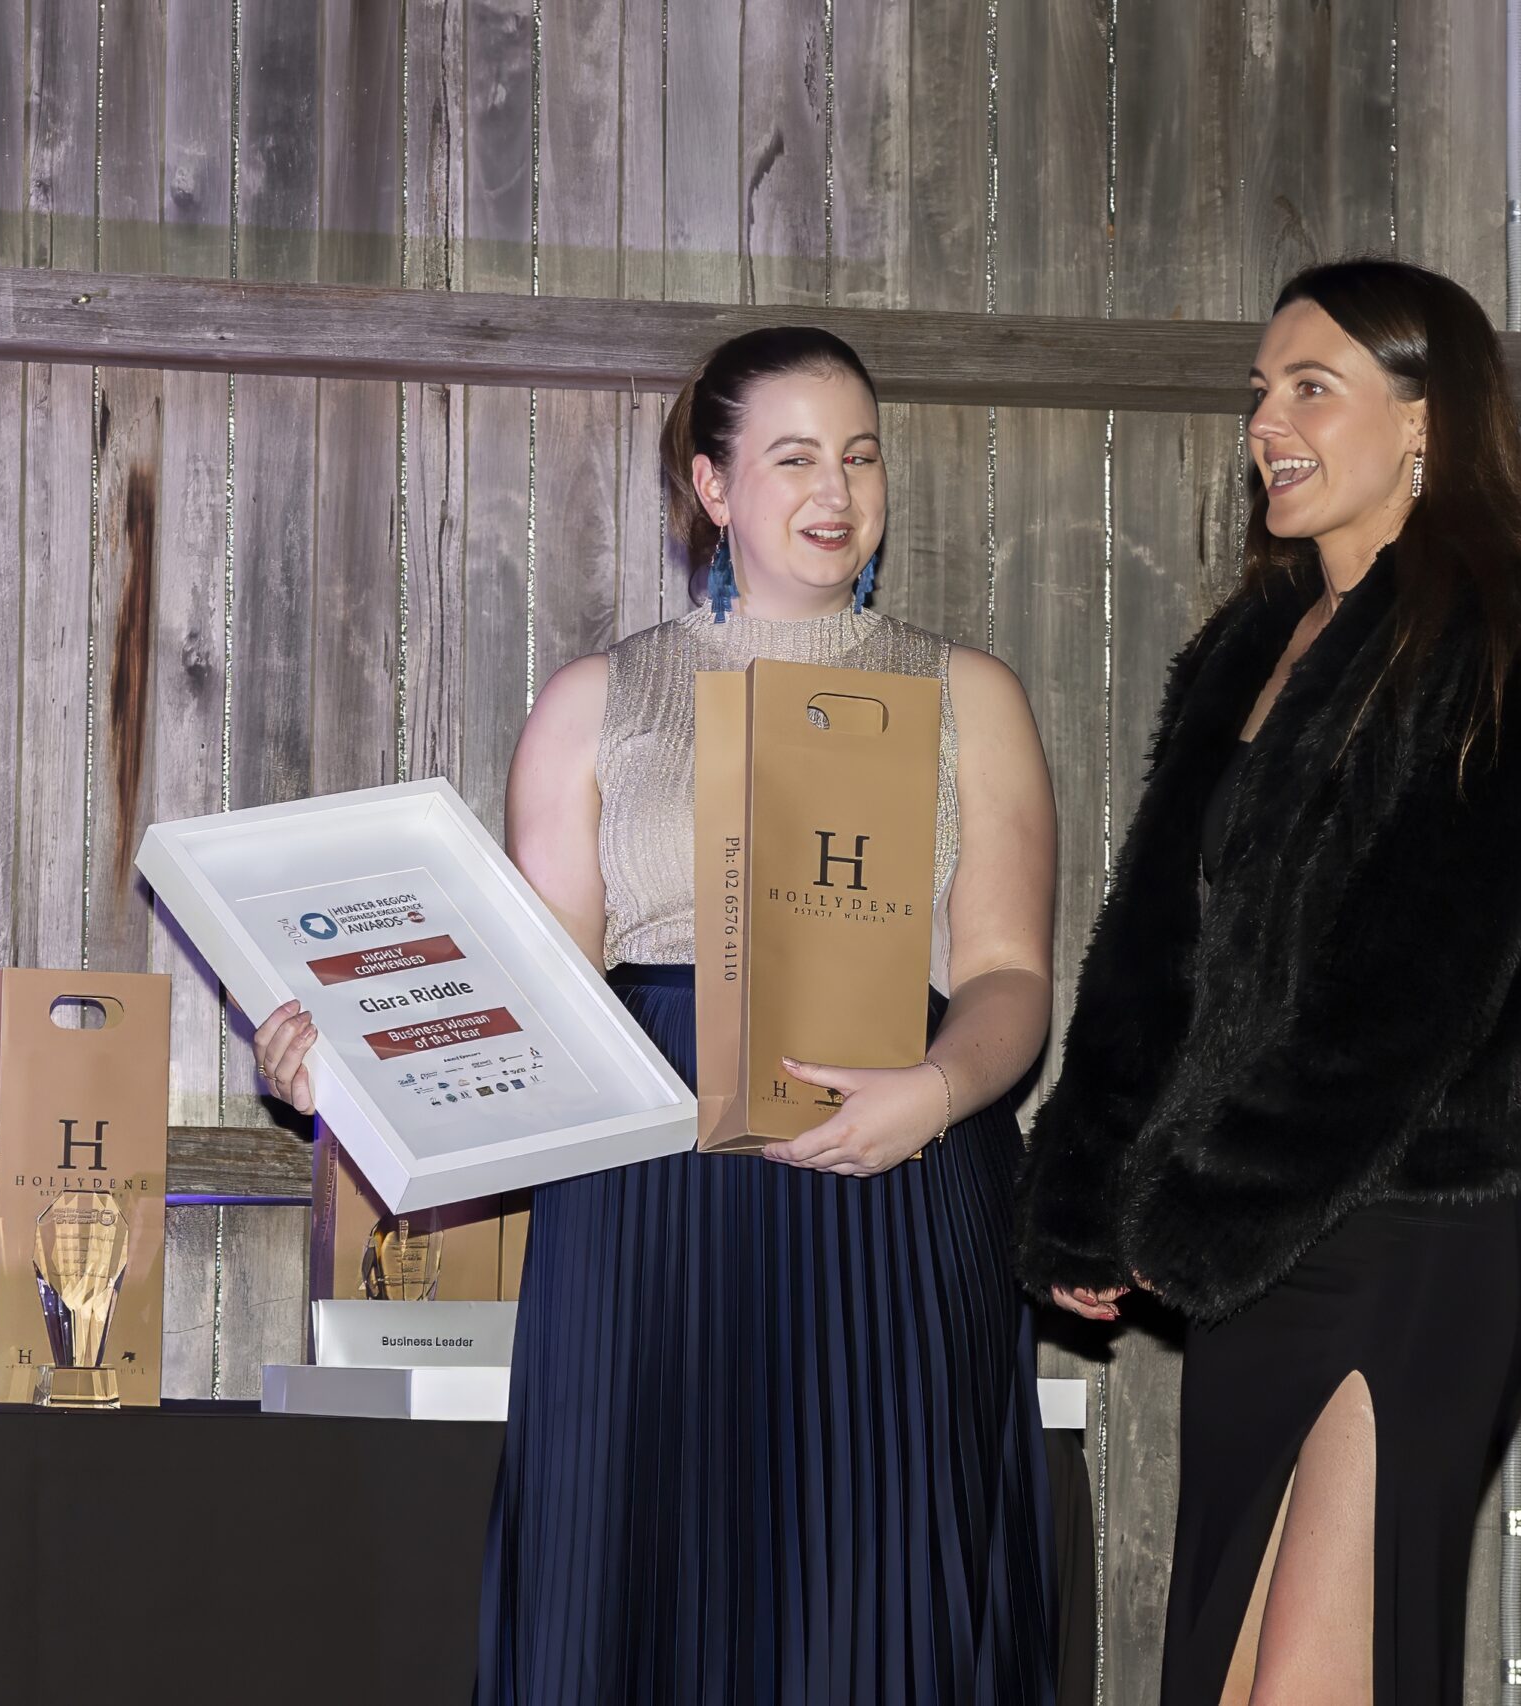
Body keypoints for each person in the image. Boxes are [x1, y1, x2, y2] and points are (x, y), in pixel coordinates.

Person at [257, 327, 1061, 1703]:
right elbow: (530, 1011)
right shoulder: (596, 702)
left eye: (860, 455)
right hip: (646, 1205)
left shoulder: (966, 694)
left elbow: (1010, 980)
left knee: (877, 1611)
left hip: (895, 1185)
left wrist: (929, 1096)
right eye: (794, 457)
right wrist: (354, 1069)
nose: (837, 489)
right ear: (713, 484)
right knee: (627, 1595)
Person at [1016, 259, 1521, 1704]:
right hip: (1257, 1247)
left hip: (1407, 1229)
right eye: (1261, 391)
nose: (1266, 423)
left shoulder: (1495, 643)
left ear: (1425, 421)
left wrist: (1208, 1208)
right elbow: (1150, 956)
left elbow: (1412, 994)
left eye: (1311, 388)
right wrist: (1087, 1186)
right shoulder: (1246, 648)